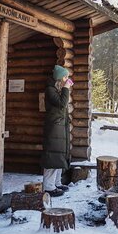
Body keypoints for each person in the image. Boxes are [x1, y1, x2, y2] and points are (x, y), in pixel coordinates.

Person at [42, 65, 72, 197]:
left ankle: (57, 183)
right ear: (59, 78)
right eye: (65, 77)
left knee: (59, 156)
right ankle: (48, 187)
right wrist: (66, 88)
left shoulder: (55, 89)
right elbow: (62, 103)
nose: (67, 79)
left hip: (59, 126)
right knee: (52, 156)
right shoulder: (50, 90)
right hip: (54, 127)